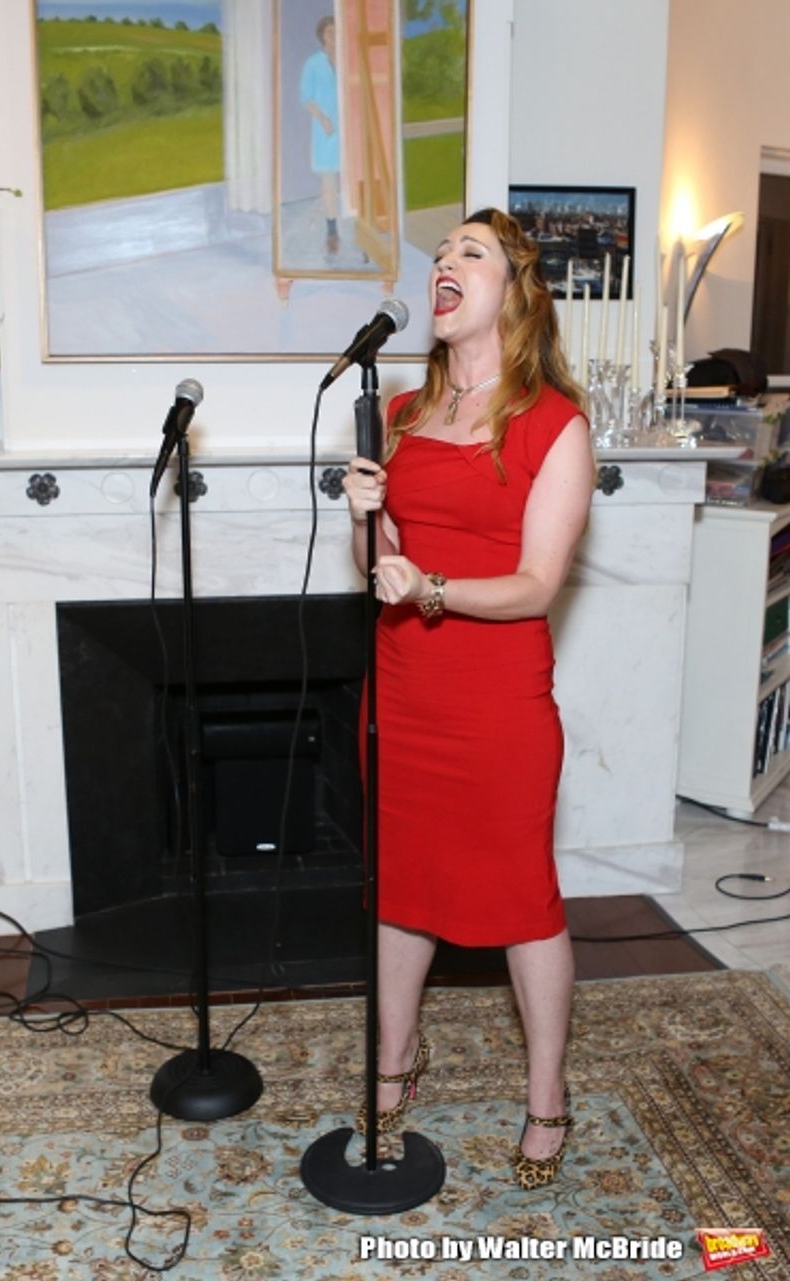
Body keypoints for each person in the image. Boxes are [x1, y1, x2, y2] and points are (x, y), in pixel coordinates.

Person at [341, 207, 596, 1188]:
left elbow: (537, 583)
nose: (444, 262)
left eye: (469, 253)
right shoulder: (404, 414)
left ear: (514, 292)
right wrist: (371, 527)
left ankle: (547, 1096)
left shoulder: (552, 425)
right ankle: (396, 1063)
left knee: (522, 901)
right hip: (403, 690)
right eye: (441, 251)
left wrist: (435, 590)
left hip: (495, 706)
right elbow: (383, 568)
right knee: (402, 886)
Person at [299, 14, 341, 258]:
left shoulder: (348, 59)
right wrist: (324, 119)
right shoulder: (313, 63)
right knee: (329, 182)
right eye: (329, 33)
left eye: (337, 32)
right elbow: (306, 97)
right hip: (326, 131)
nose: (334, 36)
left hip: (347, 128)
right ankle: (332, 231)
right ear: (322, 36)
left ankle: (364, 230)